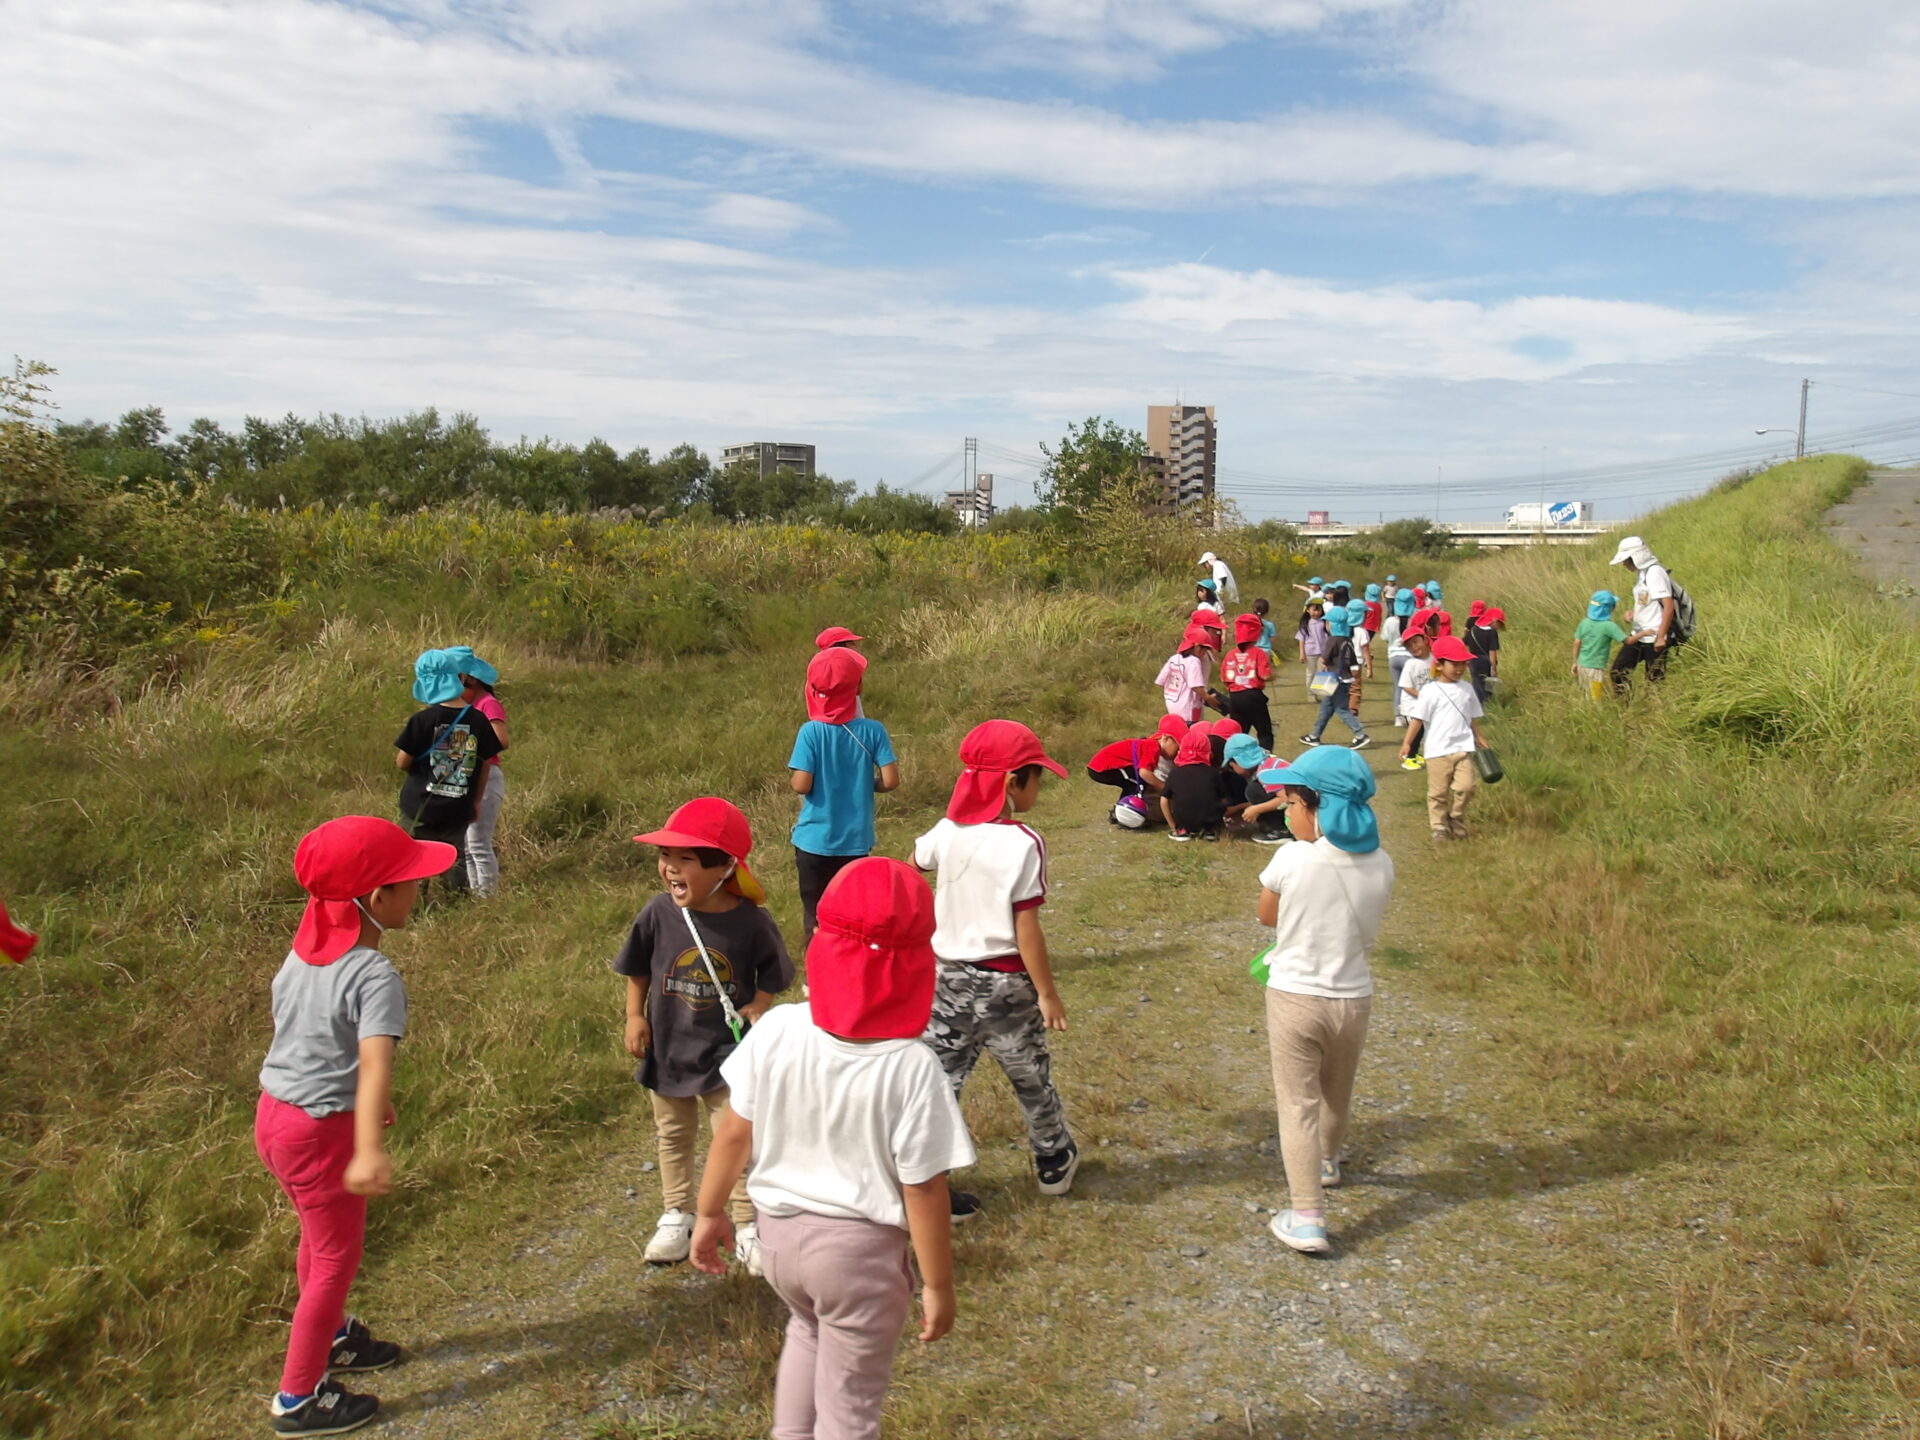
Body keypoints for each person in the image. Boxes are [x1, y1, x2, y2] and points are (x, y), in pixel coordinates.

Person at [689, 859, 973, 1440]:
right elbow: (922, 1187)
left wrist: (709, 1211)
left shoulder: (779, 1027)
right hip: (856, 1256)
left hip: (779, 1240)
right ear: (918, 966)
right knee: (852, 1409)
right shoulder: (912, 1067)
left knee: (807, 1332)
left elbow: (733, 1132)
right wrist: (939, 1284)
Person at [256, 816, 458, 1435]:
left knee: (317, 1245)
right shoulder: (375, 976)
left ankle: (336, 1337)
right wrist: (367, 1146)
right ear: (377, 901)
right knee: (336, 1258)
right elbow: (372, 1062)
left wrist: (364, 1105)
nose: (418, 891)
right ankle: (298, 1396)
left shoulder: (298, 957)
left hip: (276, 1118)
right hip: (323, 1135)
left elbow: (313, 1041)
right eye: (410, 882)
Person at [614, 799, 796, 1270]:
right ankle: (677, 1213)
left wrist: (760, 1003)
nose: (670, 868)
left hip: (726, 1053)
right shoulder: (657, 914)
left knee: (732, 1140)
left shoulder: (751, 921)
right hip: (668, 1047)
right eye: (665, 858)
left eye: (686, 860)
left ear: (724, 867)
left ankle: (747, 1223)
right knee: (671, 1134)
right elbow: (637, 969)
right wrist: (635, 1016)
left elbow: (776, 972)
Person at [915, 721, 1076, 1211]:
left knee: (937, 1080)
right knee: (1028, 1072)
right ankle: (1052, 1159)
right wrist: (1047, 993)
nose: (1038, 788)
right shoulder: (1024, 843)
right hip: (1005, 981)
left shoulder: (947, 831)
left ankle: (922, 1178)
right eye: (1036, 778)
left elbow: (916, 860)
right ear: (1012, 782)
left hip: (945, 977)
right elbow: (1026, 928)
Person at [1254, 747, 1395, 1256]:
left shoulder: (1291, 857)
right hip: (1353, 997)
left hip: (1295, 995)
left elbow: (1267, 916)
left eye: (1291, 802)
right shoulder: (1382, 863)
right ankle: (1329, 1161)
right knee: (1337, 1090)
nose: (1287, 811)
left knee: (1297, 1103)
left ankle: (1307, 1213)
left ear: (1317, 809)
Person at [789, 649, 901, 939]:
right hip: (855, 843)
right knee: (851, 911)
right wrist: (868, 784)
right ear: (859, 688)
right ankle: (851, 967)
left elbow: (801, 784)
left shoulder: (810, 733)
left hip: (813, 843)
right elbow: (890, 780)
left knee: (814, 913)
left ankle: (814, 978)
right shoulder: (874, 731)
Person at [393, 648, 503, 895]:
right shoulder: (477, 720)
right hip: (459, 807)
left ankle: (416, 902)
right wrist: (475, 801)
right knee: (455, 856)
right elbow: (485, 763)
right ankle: (458, 900)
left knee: (414, 856)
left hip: (420, 805)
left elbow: (402, 762)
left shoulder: (421, 720)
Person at [1399, 637, 1486, 841]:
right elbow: (1418, 720)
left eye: (1463, 664)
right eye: (1454, 664)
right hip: (1437, 750)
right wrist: (1407, 743)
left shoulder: (1467, 688)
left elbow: (1471, 717)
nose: (1459, 669)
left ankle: (1456, 817)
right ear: (1439, 665)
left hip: (1463, 747)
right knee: (1438, 792)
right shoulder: (1429, 691)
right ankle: (1438, 826)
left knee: (1466, 787)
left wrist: (1479, 736)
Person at [455, 651, 509, 897]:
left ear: (472, 680)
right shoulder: (466, 706)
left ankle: (488, 896)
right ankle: (478, 894)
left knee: (478, 843)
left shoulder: (487, 703)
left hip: (486, 778)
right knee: (467, 845)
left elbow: (501, 739)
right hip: (469, 776)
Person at [1607, 536, 1677, 693]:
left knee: (1654, 681)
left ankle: (1655, 714)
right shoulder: (1642, 574)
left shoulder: (1655, 572)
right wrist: (1632, 612)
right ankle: (1624, 711)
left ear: (1636, 557)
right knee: (1617, 672)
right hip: (1638, 634)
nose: (1624, 564)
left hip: (1655, 637)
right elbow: (1646, 601)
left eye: (1626, 560)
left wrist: (1661, 637)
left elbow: (1668, 605)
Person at [1087, 715, 1185, 826]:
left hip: (1100, 766)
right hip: (1102, 767)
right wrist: (1163, 787)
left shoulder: (1148, 744)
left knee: (1134, 784)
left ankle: (1122, 812)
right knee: (1139, 784)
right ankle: (1125, 813)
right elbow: (1144, 773)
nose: (1177, 753)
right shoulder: (1153, 746)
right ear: (1166, 739)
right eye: (1177, 748)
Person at [1302, 612, 1372, 750]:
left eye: (1327, 622)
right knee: (1326, 708)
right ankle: (1315, 735)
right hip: (1346, 678)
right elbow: (1353, 661)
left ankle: (1360, 734)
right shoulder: (1347, 640)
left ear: (1333, 624)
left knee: (1342, 709)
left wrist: (1323, 665)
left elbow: (1324, 658)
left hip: (1335, 680)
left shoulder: (1333, 640)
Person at [1161, 723, 1225, 842]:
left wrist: (1173, 825)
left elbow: (1164, 801)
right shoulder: (1213, 773)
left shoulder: (1175, 773)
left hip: (1183, 821)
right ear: (1208, 753)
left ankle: (1180, 831)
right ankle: (1210, 831)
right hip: (1210, 820)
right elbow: (1223, 799)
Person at [1223, 732, 1291, 844]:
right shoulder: (1269, 763)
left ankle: (1280, 831)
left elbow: (1285, 799)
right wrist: (1240, 808)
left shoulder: (1266, 773)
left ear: (1240, 760)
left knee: (1254, 790)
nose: (1234, 771)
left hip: (1300, 808)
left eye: (1232, 767)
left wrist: (1256, 809)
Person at [1221, 613, 1276, 749]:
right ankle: (1265, 761)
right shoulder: (1258, 653)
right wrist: (1273, 675)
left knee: (1238, 733)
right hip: (1254, 696)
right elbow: (1265, 676)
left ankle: (1235, 762)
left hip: (1235, 697)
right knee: (1264, 733)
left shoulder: (1230, 654)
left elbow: (1224, 678)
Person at [1572, 590, 1628, 700]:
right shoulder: (1608, 626)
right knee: (1596, 698)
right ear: (1610, 609)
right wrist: (1643, 634)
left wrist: (1575, 662)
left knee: (1586, 695)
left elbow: (1577, 642)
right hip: (1596, 668)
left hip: (1582, 665)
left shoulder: (1584, 622)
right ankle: (1593, 715)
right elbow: (1626, 640)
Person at [1396, 626, 1435, 770]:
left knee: (1424, 730)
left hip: (1427, 704)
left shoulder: (1434, 659)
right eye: (1409, 646)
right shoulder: (1411, 664)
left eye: (1416, 642)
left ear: (1425, 640)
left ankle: (1415, 753)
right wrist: (1421, 696)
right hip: (1412, 705)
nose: (1413, 647)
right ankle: (1409, 757)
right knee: (1416, 732)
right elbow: (1405, 686)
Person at [1156, 626, 1213, 723]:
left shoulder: (1174, 658)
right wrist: (1208, 697)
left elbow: (1161, 681)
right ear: (1197, 647)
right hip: (1188, 710)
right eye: (1205, 649)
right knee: (1190, 735)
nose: (1205, 653)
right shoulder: (1194, 661)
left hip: (1172, 705)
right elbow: (1196, 686)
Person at [1463, 607, 1504, 702]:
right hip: (1486, 661)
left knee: (1476, 682)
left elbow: (1464, 643)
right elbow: (1492, 652)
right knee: (1487, 685)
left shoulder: (1473, 630)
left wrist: (1466, 659)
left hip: (1473, 661)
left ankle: (1477, 702)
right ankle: (1486, 704)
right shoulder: (1492, 632)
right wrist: (1493, 668)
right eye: (1499, 624)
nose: (1498, 627)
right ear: (1494, 620)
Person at [1295, 601, 1329, 687]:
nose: (1317, 613)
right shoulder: (1305, 624)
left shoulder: (1324, 622)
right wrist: (1302, 654)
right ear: (1308, 610)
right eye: (1314, 610)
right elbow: (1301, 639)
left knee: (1321, 673)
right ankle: (1310, 693)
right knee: (1310, 673)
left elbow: (1329, 635)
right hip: (1310, 653)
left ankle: (1318, 691)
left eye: (1319, 610)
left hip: (1323, 652)